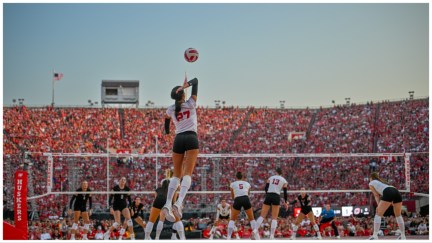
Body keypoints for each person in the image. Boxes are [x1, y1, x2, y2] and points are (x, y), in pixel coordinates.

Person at [162, 77, 199, 222]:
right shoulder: (191, 103)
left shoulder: (170, 109)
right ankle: (179, 202)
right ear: (183, 94)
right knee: (187, 173)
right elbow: (196, 81)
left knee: (176, 175)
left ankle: (167, 203)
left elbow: (166, 120)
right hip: (191, 138)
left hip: (178, 139)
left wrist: (166, 132)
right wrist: (187, 84)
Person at [145, 170, 185, 240]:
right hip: (169, 199)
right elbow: (175, 197)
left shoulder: (158, 189)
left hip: (159, 199)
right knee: (178, 220)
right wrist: (175, 205)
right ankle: (182, 238)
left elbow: (156, 198)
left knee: (152, 221)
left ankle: (150, 238)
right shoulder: (175, 184)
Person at [368, 172, 406, 240]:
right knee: (398, 215)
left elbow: (376, 195)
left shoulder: (371, 183)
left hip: (388, 192)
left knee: (378, 214)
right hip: (396, 191)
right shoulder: (383, 182)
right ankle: (403, 236)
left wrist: (378, 205)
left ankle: (375, 236)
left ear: (371, 178)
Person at [254, 167, 288, 239]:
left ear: (276, 172)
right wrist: (285, 202)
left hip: (269, 195)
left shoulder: (271, 178)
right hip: (276, 196)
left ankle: (255, 230)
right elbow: (285, 192)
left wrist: (268, 194)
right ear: (281, 173)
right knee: (274, 218)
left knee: (262, 216)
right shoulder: (283, 180)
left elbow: (266, 188)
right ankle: (272, 235)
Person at [227, 171, 260, 240]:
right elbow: (248, 193)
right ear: (242, 177)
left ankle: (228, 237)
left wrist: (236, 199)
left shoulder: (232, 184)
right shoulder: (247, 183)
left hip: (237, 199)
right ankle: (256, 236)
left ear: (236, 177)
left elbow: (232, 195)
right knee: (252, 219)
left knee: (232, 219)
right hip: (245, 198)